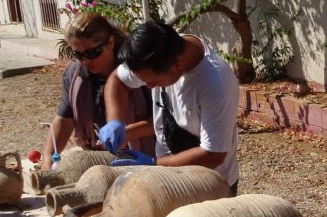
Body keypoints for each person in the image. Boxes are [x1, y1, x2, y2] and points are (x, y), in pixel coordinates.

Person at [99, 21, 240, 195]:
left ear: (176, 66)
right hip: (167, 176)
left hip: (209, 186)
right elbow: (117, 80)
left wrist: (153, 163)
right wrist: (115, 121)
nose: (149, 87)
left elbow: (214, 154)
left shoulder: (216, 84)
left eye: (153, 82)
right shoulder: (158, 50)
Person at [40, 12, 154, 170]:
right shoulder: (74, 76)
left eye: (92, 53)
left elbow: (161, 120)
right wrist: (47, 160)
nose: (86, 61)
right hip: (99, 158)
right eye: (77, 54)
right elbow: (64, 119)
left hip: (143, 157)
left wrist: (125, 133)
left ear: (110, 42)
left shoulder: (138, 70)